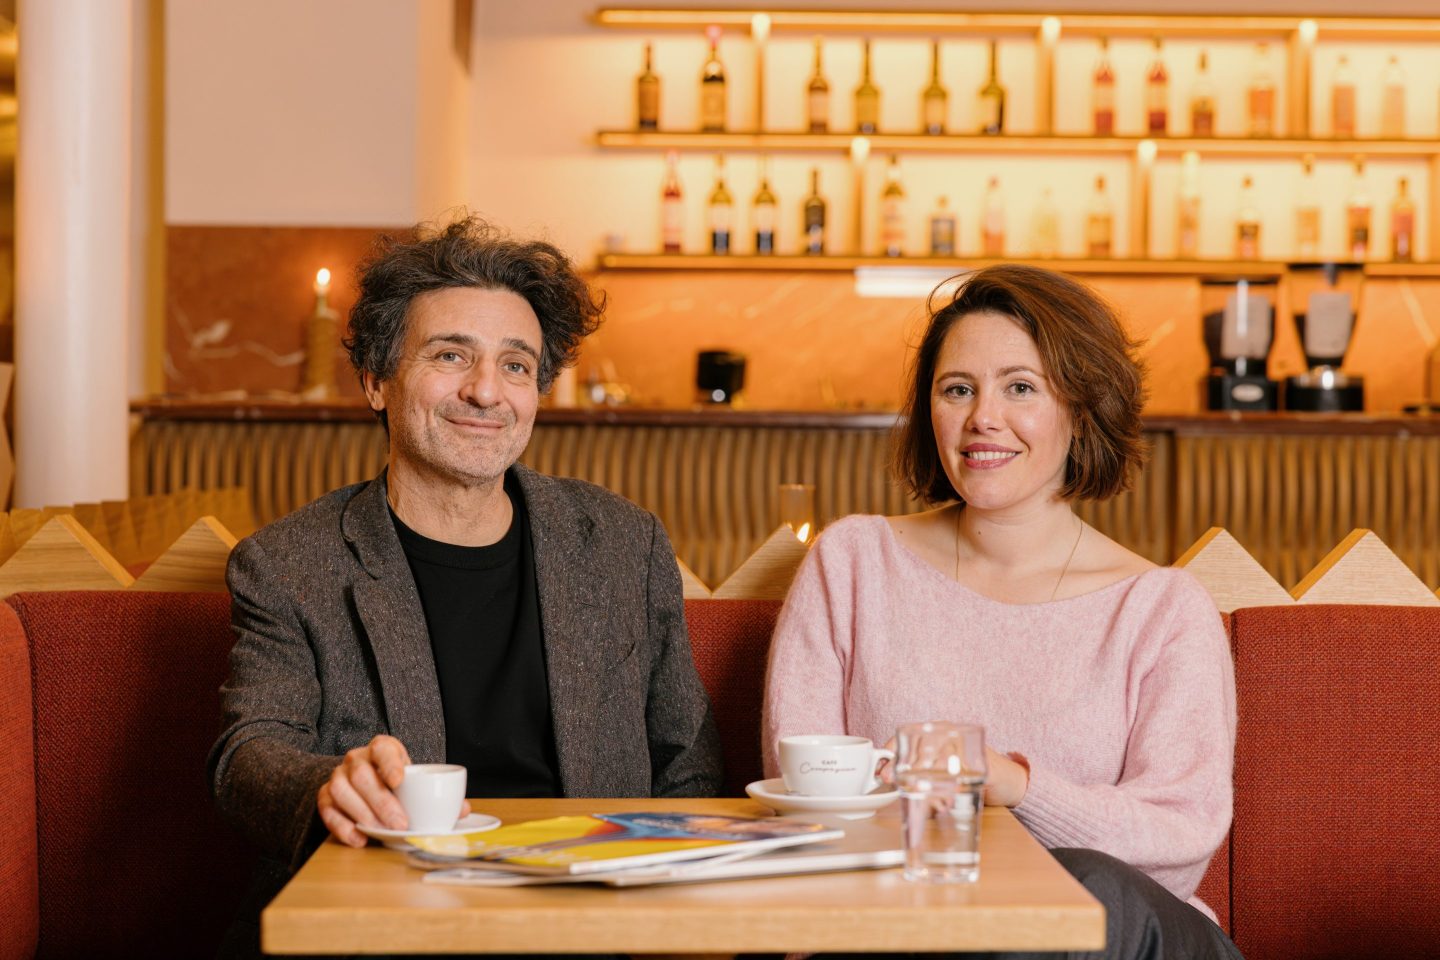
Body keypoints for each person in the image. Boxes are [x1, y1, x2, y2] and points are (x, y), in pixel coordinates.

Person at [208, 216, 722, 950]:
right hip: (391, 922)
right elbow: (248, 753)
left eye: (516, 366)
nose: (487, 392)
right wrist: (326, 786)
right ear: (376, 382)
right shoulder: (289, 564)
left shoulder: (621, 544)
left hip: (592, 919)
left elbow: (687, 765)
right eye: (451, 355)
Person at [762, 264, 1241, 960]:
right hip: (912, 931)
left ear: (1081, 408)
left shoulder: (1162, 609)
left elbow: (1178, 846)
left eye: (1021, 387)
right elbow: (806, 802)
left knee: (1081, 893)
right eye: (958, 389)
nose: (983, 417)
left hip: (1129, 941)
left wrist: (1011, 785)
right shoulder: (853, 564)